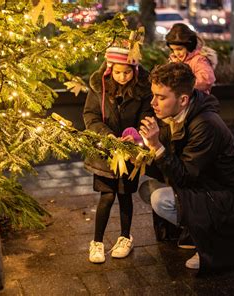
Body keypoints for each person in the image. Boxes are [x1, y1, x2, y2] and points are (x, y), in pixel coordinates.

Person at [138, 62, 234, 272]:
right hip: (205, 186)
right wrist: (140, 155)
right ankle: (194, 231)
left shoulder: (205, 124)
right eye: (153, 95)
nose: (153, 103)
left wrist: (156, 146)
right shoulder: (174, 115)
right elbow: (168, 167)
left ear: (183, 99)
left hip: (228, 197)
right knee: (147, 189)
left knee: (160, 199)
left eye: (161, 97)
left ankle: (212, 243)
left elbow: (185, 175)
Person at [83, 46, 153, 263]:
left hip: (130, 153)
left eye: (127, 72)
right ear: (109, 69)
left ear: (135, 70)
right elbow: (91, 116)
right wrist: (107, 136)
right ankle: (97, 241)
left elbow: (147, 115)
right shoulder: (99, 88)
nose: (123, 77)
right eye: (118, 72)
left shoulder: (142, 90)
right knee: (107, 196)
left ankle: (125, 237)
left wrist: (138, 137)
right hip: (105, 152)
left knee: (125, 196)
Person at [166, 23, 217, 94]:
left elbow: (206, 80)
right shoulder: (174, 60)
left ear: (190, 46)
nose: (176, 53)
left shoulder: (198, 60)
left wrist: (182, 85)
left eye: (179, 49)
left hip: (196, 101)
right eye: (173, 49)